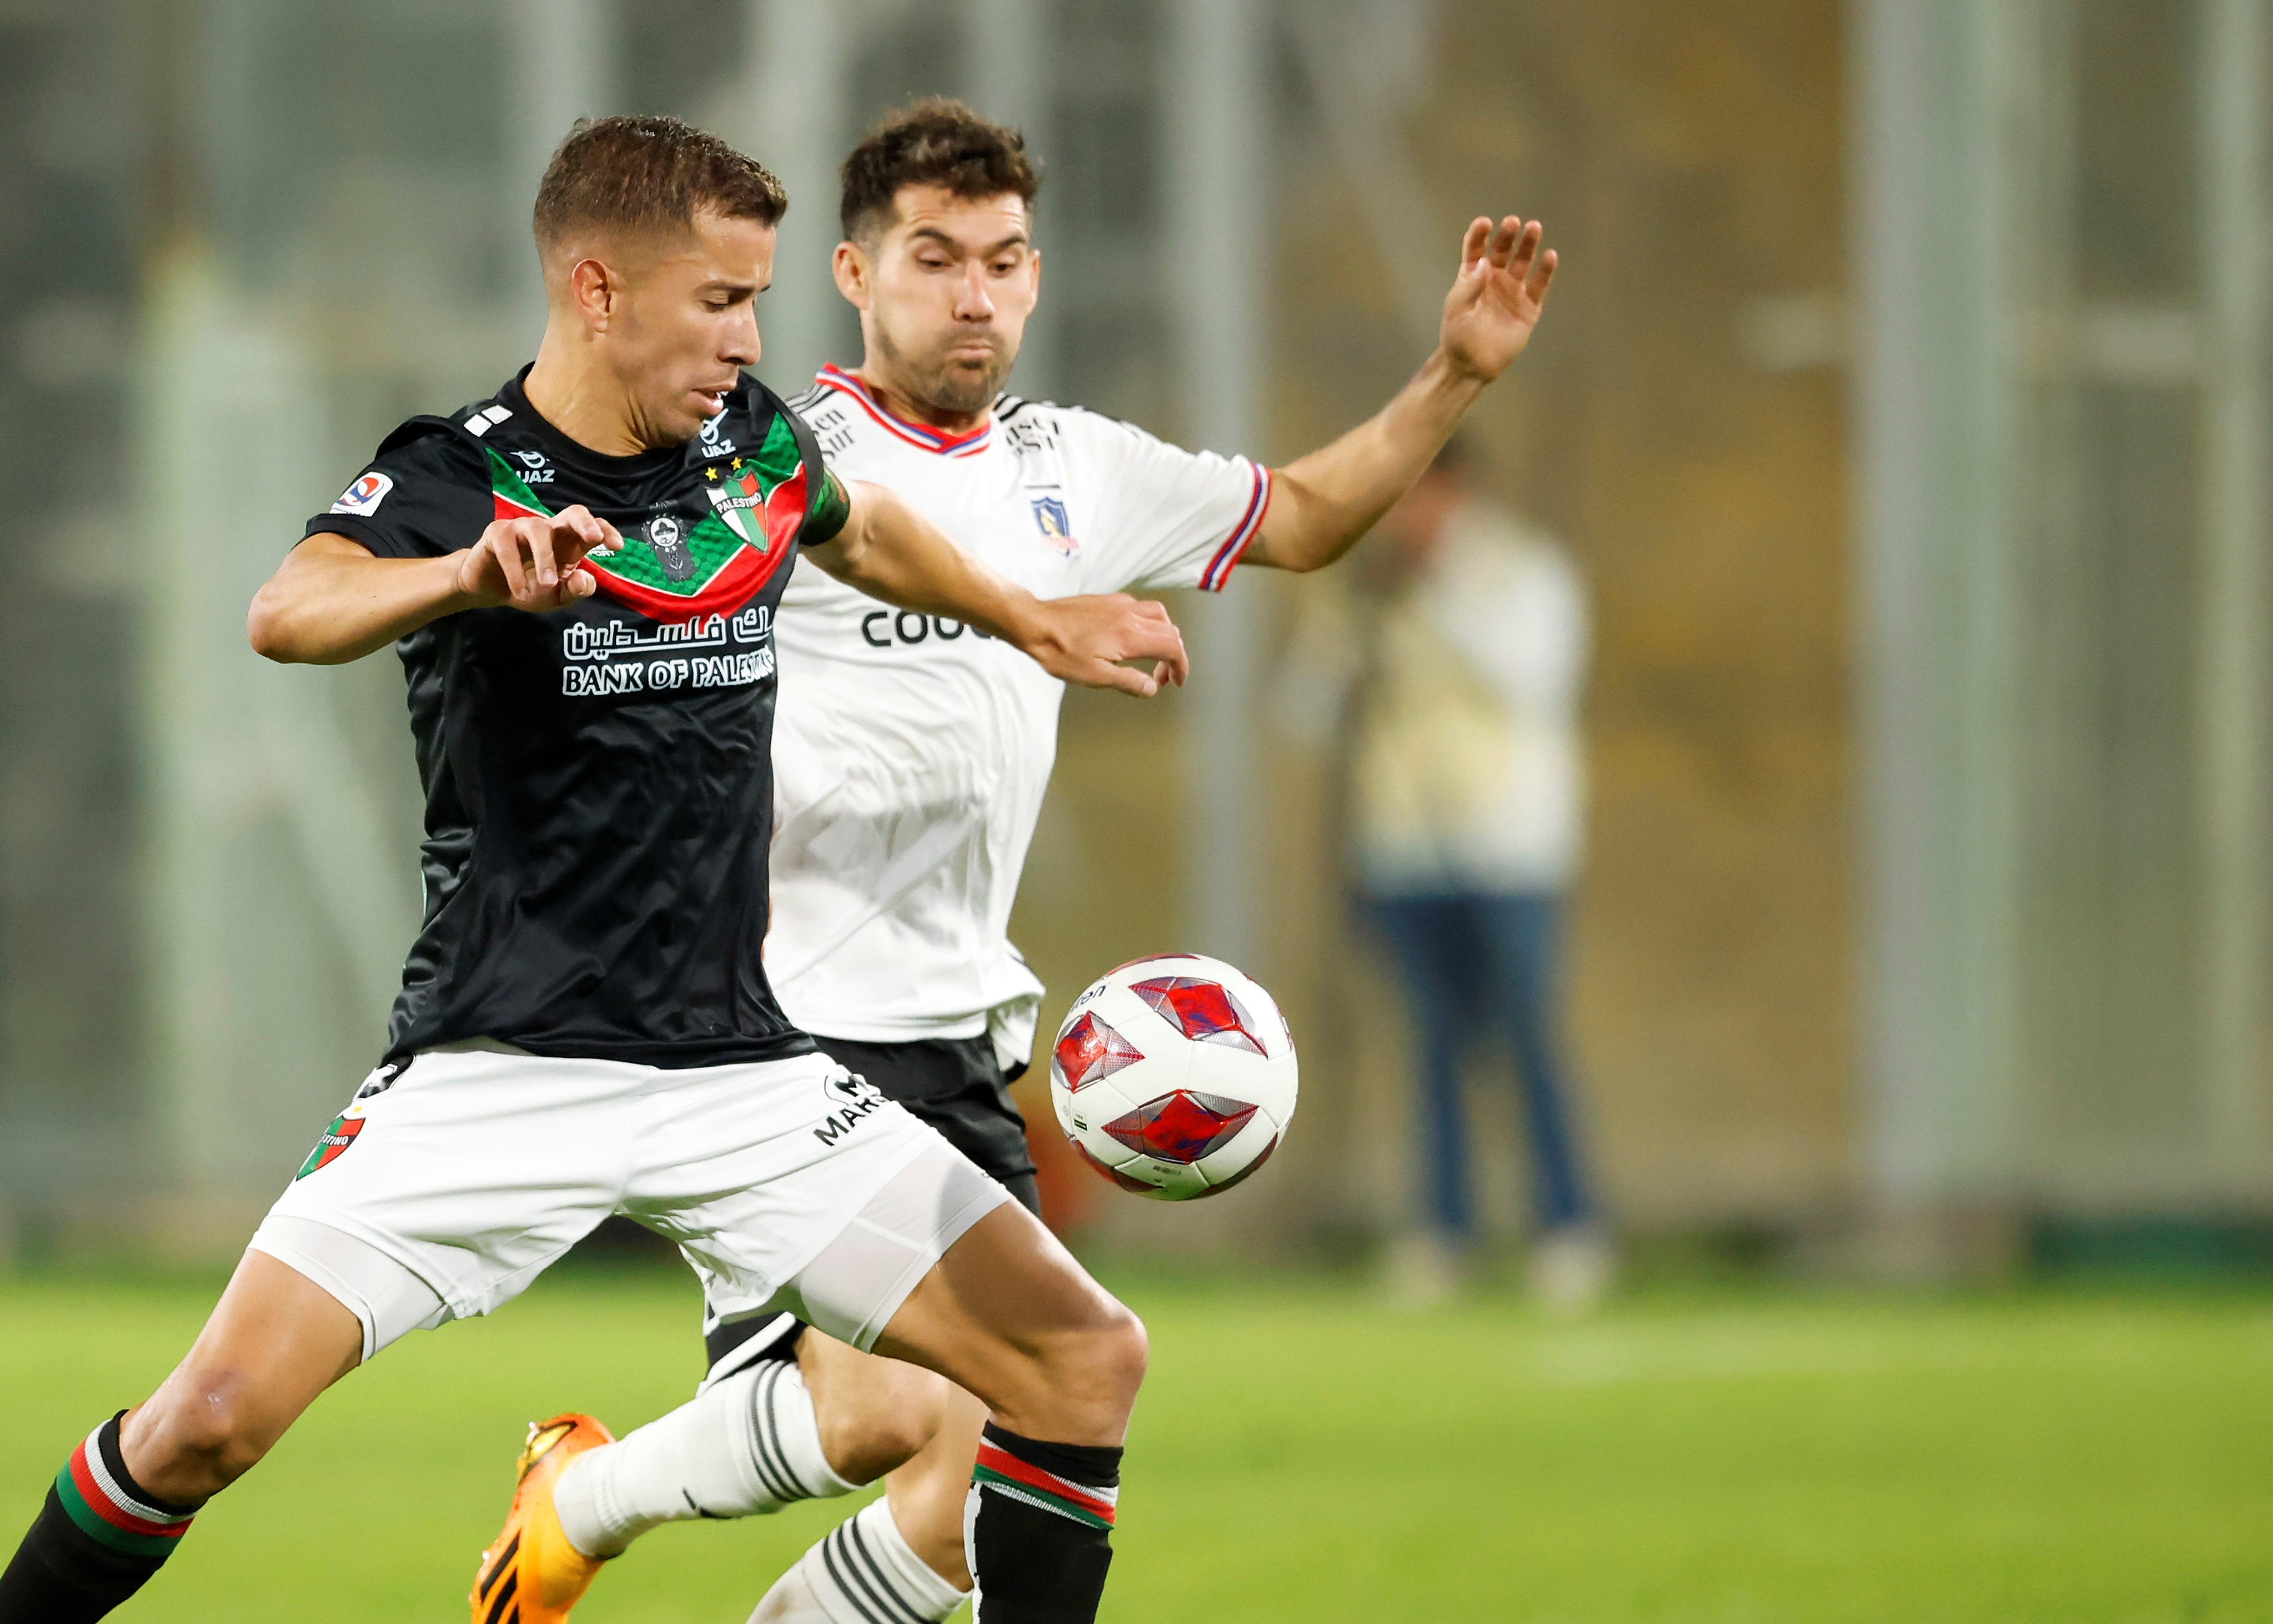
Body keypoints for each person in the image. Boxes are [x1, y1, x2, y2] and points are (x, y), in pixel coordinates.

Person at [0, 115, 1193, 1624]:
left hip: (741, 1068)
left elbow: (857, 528)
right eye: (718, 301)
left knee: (1084, 1355)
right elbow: (290, 608)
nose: (749, 337)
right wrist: (464, 574)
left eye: (754, 299)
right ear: (599, 291)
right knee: (205, 1418)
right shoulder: (456, 471)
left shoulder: (749, 441)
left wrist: (1035, 618)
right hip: (499, 1061)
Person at [504, 100, 1558, 1624]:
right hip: (768, 1016)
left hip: (953, 1029)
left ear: (1038, 277)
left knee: (968, 1488)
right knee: (889, 1410)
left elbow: (1313, 515)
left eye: (1001, 260)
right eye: (934, 258)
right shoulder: (767, 458)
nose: (973, 293)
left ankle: (593, 1506)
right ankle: (581, 1498)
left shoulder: (1079, 469)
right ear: (856, 276)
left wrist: (1454, 369)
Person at [1299, 443, 1604, 1312]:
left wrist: (1434, 596)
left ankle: (1567, 1226)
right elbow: (1307, 710)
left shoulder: (1521, 572)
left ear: (1452, 492)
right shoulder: (1365, 587)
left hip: (1511, 846)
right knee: (1429, 1046)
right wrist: (1350, 637)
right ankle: (1442, 1228)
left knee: (1529, 1038)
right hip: (1402, 849)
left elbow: (1537, 680)